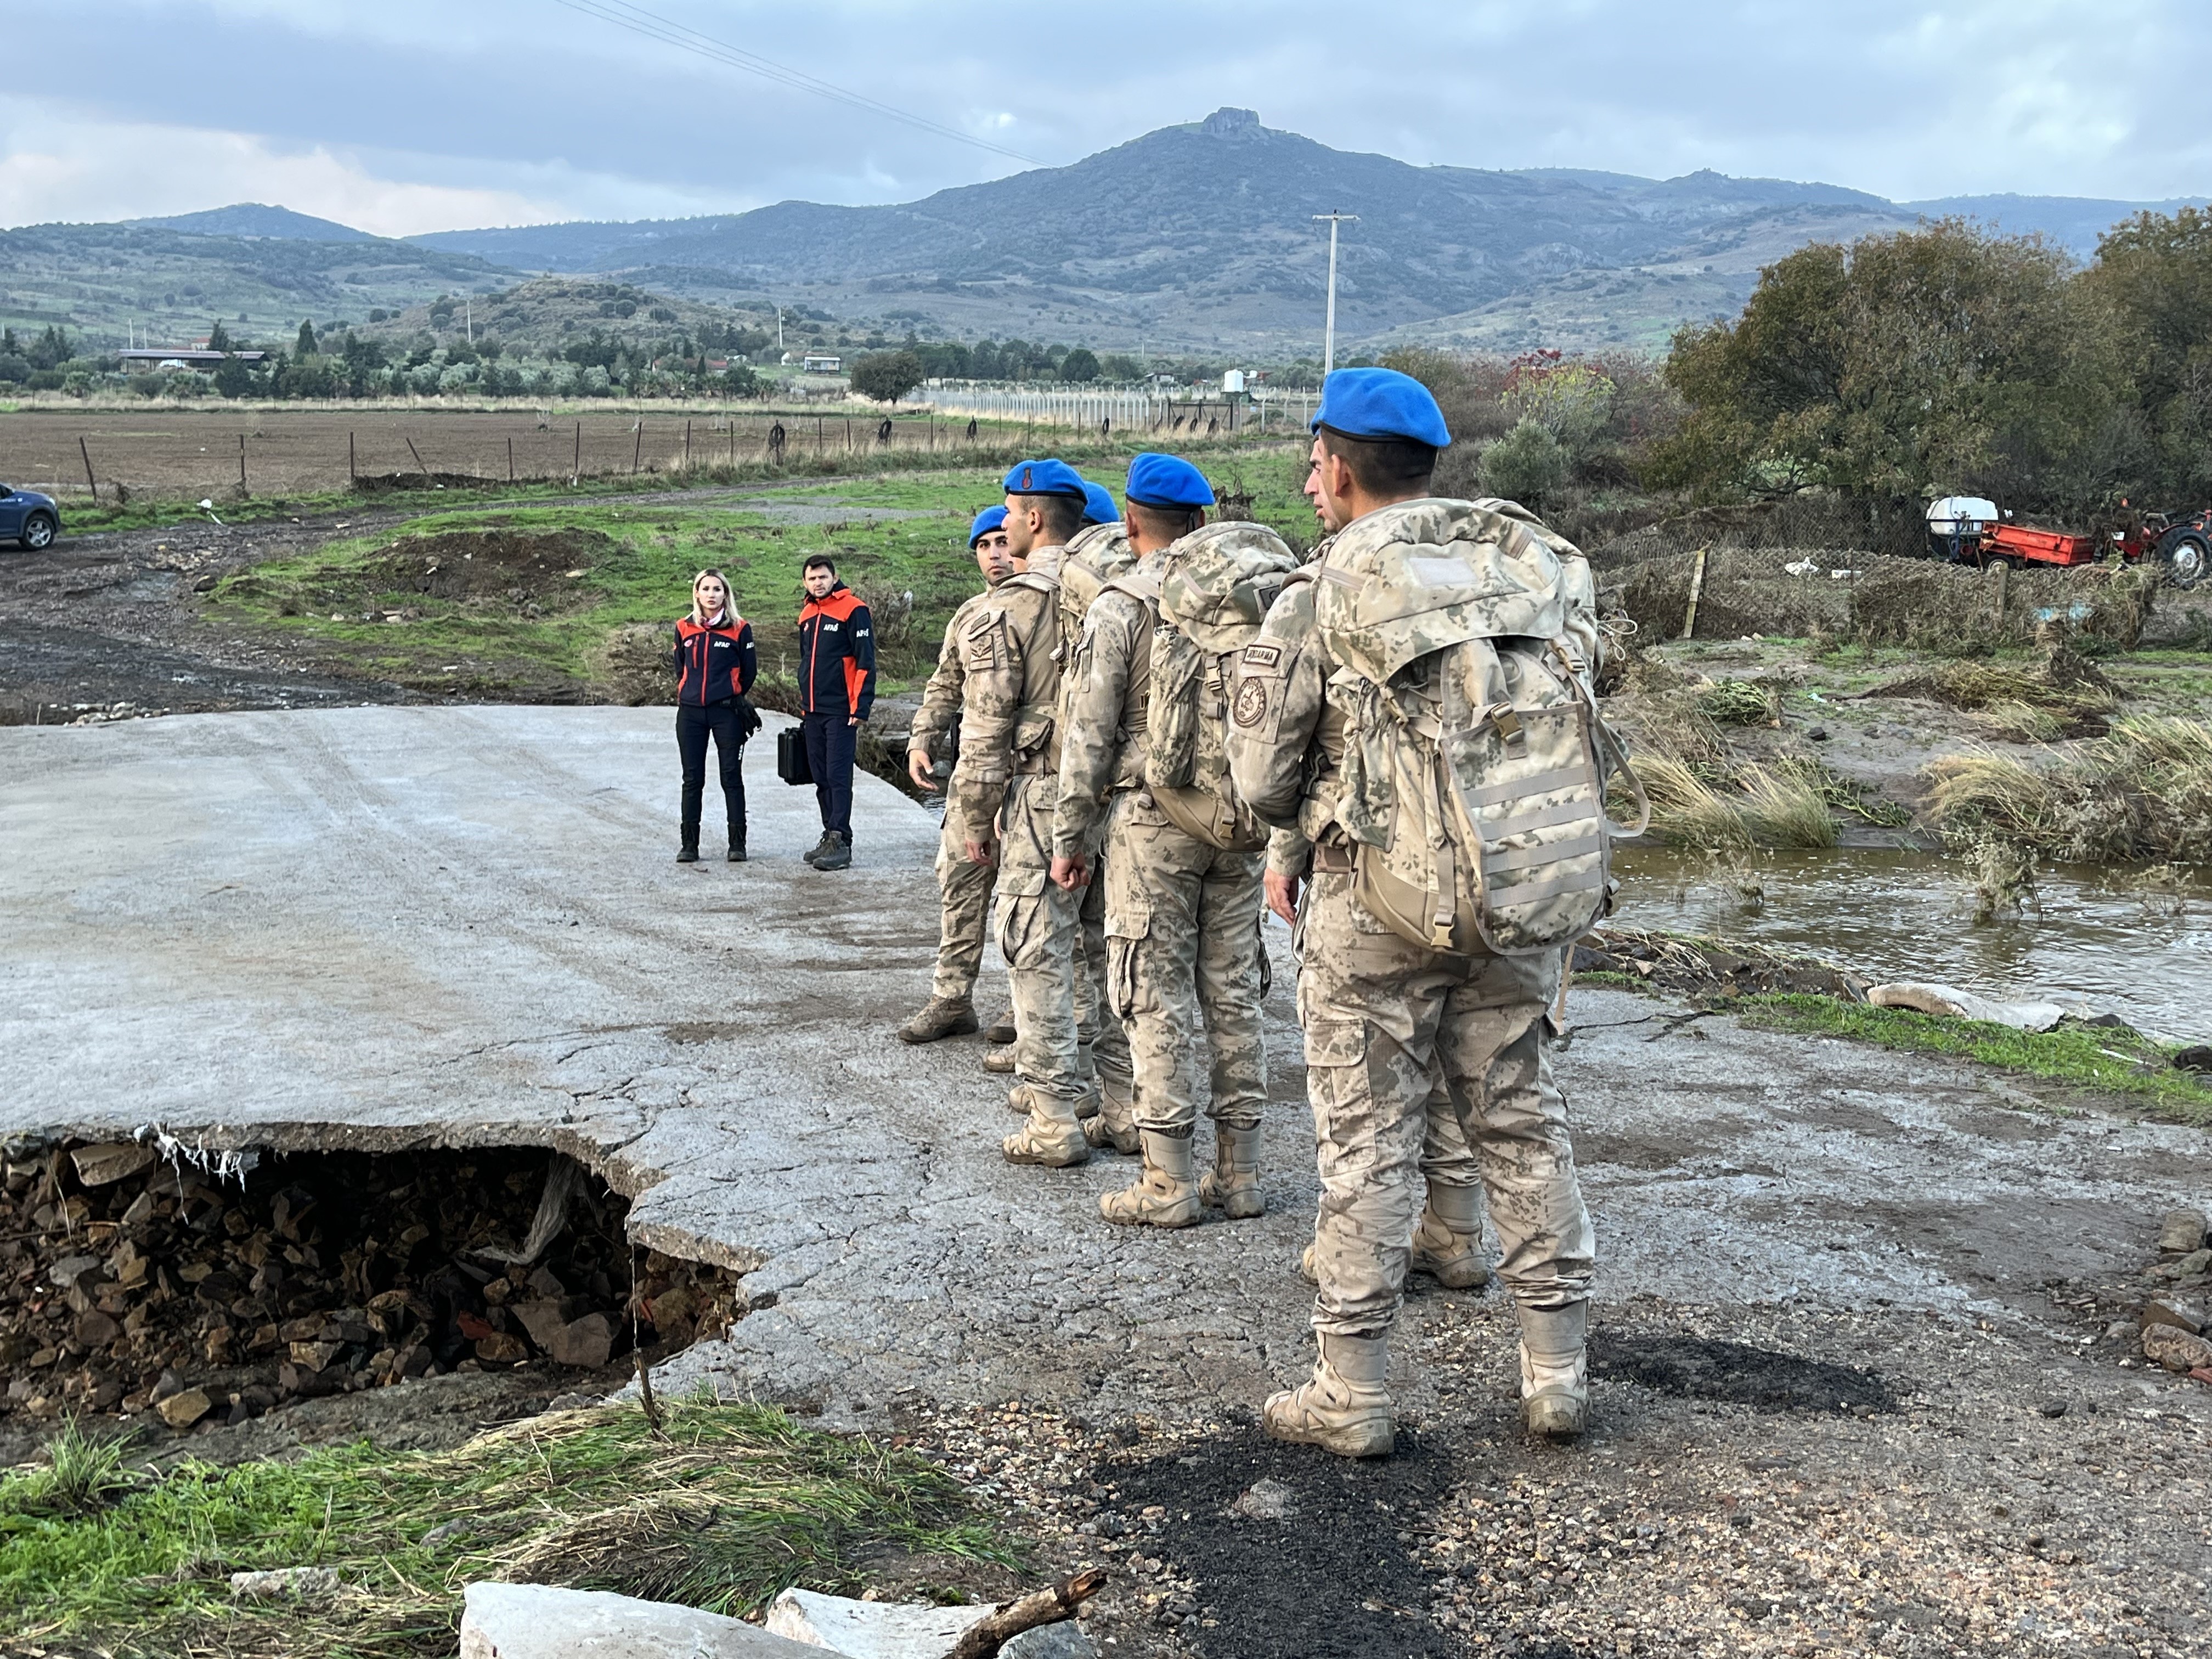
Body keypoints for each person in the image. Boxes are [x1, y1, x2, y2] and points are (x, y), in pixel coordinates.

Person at [1224, 366, 1599, 1458]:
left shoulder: (1321, 588)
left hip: (1372, 905)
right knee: (1524, 1125)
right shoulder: (1539, 570)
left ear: (1338, 469)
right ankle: (1557, 1375)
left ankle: (1354, 1392)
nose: (1307, 482)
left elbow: (1259, 777)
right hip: (1523, 892)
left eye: (1312, 463)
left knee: (1367, 1144)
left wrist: (1299, 834)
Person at [1051, 454, 1276, 1228]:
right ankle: (1239, 1176)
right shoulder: (1252, 599)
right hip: (1243, 819)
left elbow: (1086, 736)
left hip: (1154, 818)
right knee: (1235, 990)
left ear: (1134, 525)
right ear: (1205, 523)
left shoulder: (1121, 605)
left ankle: (1167, 1181)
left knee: (1154, 993)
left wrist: (1070, 836)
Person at [955, 459, 1093, 1167]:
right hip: (1114, 796)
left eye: (1009, 516)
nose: (1003, 530)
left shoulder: (1003, 611)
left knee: (1034, 949)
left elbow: (984, 737)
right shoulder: (1113, 586)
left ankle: (1053, 1117)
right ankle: (1113, 1097)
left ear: (1034, 519)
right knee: (1102, 950)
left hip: (1042, 793)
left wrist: (976, 819)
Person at [900, 507, 1016, 1044]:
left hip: (1030, 774)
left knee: (1029, 899)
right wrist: (922, 738)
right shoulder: (968, 616)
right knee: (959, 883)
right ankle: (951, 999)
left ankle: (1027, 1008)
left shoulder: (1053, 608)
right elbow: (945, 683)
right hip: (972, 776)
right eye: (984, 546)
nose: (996, 554)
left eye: (1002, 541)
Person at [670, 568, 758, 864]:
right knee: (692, 779)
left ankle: (737, 845)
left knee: (731, 778)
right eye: (706, 589)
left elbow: (750, 672)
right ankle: (689, 845)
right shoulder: (684, 627)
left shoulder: (740, 628)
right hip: (691, 714)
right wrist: (693, 691)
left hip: (727, 714)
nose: (711, 594)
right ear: (697, 593)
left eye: (717, 589)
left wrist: (729, 693)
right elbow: (680, 668)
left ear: (726, 594)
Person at [795, 554, 876, 872]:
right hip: (813, 710)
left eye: (823, 577)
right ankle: (830, 834)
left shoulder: (854, 609)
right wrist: (804, 702)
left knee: (838, 775)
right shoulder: (805, 615)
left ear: (834, 577)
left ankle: (841, 841)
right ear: (805, 582)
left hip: (842, 710)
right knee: (821, 777)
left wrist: (861, 706)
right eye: (812, 578)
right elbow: (806, 662)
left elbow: (865, 661)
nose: (818, 583)